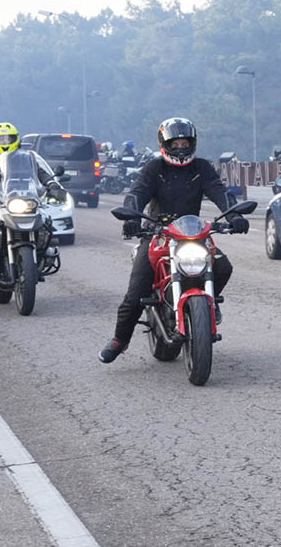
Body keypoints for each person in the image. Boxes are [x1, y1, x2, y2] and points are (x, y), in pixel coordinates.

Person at [98, 117, 250, 363]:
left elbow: (219, 192)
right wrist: (132, 218)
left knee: (223, 267)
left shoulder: (201, 167)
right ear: (164, 144)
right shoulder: (154, 168)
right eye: (175, 143)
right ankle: (119, 340)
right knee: (136, 293)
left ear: (193, 143)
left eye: (184, 142)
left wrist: (234, 215)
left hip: (193, 233)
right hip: (158, 234)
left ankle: (208, 303)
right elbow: (136, 193)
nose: (180, 147)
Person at [0, 123, 66, 259]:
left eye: (8, 139)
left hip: (26, 198)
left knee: (46, 222)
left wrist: (52, 184)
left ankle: (46, 250)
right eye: (1, 139)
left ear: (16, 139)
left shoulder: (24, 159)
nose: (5, 142)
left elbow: (40, 174)